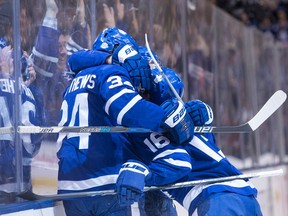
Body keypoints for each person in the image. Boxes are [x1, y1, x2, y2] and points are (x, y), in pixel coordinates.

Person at [56, 27, 194, 216]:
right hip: (104, 179)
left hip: (69, 185)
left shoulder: (74, 82)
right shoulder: (110, 72)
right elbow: (130, 110)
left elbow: (74, 60)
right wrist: (167, 119)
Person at [31, 0, 90, 129]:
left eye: (65, 46)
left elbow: (83, 51)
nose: (63, 52)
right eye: (58, 46)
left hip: (71, 133)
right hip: (47, 136)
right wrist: (51, 11)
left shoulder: (72, 67)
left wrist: (80, 11)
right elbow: (45, 49)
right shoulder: (44, 68)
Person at [0, 38, 43, 203]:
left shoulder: (19, 88)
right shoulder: (30, 91)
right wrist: (28, 86)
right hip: (24, 181)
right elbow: (38, 139)